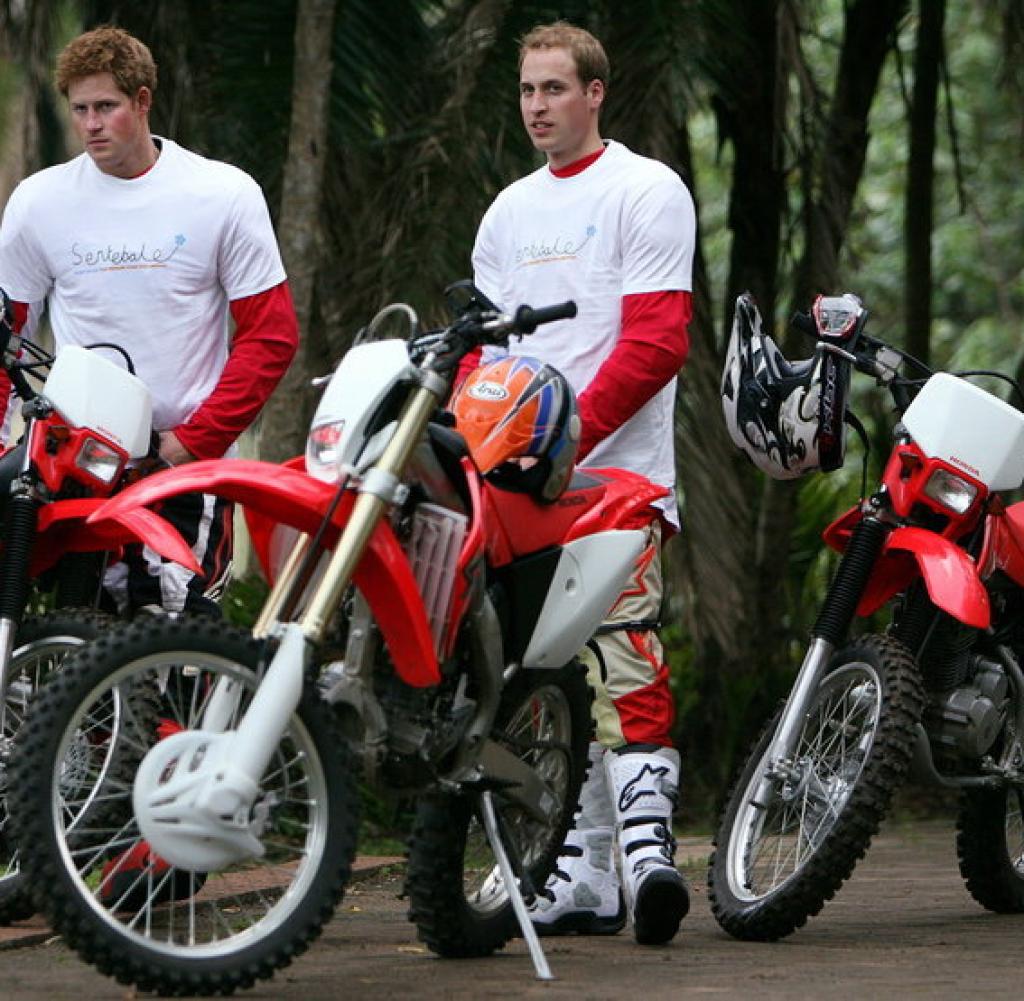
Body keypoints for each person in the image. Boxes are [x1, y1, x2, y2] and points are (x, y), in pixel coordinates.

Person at [470, 21, 696, 945]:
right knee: (543, 676)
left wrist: (564, 442)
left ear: (595, 93)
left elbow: (656, 342)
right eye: (527, 91)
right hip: (518, 483)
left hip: (617, 476)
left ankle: (649, 859)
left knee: (625, 654)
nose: (537, 106)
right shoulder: (507, 211)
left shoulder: (646, 189)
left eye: (555, 89)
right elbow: (482, 352)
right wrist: (486, 443)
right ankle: (583, 870)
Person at [0, 25, 298, 616]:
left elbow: (270, 336)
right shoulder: (40, 202)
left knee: (172, 629)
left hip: (181, 463)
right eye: (80, 109)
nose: (91, 124)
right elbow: (7, 332)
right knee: (71, 629)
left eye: (106, 107)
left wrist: (193, 441)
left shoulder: (221, 194)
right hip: (73, 459)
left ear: (141, 101)